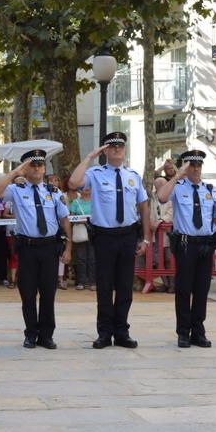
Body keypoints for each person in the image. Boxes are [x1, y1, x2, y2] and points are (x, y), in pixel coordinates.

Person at [68, 132, 150, 349]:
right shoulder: (95, 173)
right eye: (112, 147)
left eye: (120, 146)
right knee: (104, 286)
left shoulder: (133, 175)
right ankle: (104, 332)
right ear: (105, 150)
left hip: (128, 235)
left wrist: (147, 238)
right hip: (104, 235)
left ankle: (122, 332)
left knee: (125, 286)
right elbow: (74, 182)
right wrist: (90, 157)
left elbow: (143, 206)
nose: (116, 150)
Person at [0, 150, 72, 349]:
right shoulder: (17, 189)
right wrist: (15, 172)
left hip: (49, 248)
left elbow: (64, 219)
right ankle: (30, 333)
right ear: (26, 169)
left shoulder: (54, 192)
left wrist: (69, 247)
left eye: (39, 165)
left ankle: (46, 335)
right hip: (27, 248)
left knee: (48, 294)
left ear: (45, 168)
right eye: (32, 165)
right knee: (27, 294)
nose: (36, 169)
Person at [157, 150, 216, 348]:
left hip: (205, 244)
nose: (196, 169)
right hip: (186, 244)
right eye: (191, 165)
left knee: (202, 289)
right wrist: (178, 175)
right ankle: (183, 332)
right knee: (184, 289)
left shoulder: (210, 189)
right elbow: (162, 197)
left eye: (198, 165)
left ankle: (198, 331)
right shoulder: (178, 187)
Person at [69, 185, 96, 291]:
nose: (87, 188)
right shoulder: (76, 202)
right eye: (84, 187)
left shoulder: (96, 201)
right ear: (80, 189)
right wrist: (79, 220)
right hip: (80, 231)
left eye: (89, 186)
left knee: (93, 258)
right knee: (81, 258)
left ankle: (92, 282)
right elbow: (71, 217)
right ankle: (81, 281)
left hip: (94, 232)